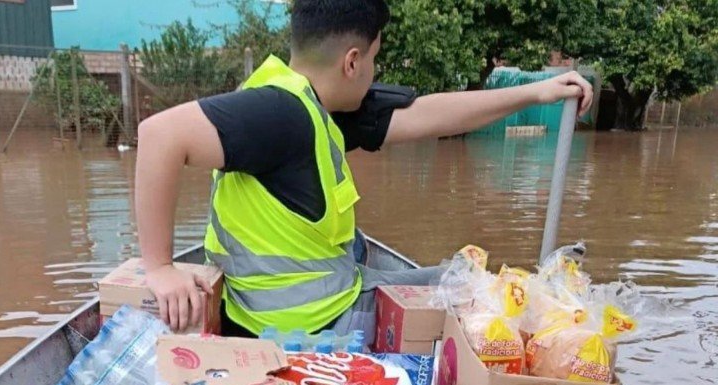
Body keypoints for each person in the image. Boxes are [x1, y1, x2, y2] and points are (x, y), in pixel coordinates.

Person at [135, 0, 593, 337]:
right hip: (311, 328)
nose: (374, 72)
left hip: (321, 297)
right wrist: (159, 267)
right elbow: (159, 135)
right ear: (352, 61)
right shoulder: (280, 113)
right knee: (482, 295)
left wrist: (536, 93)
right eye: (374, 60)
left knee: (462, 278)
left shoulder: (311, 103)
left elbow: (428, 115)